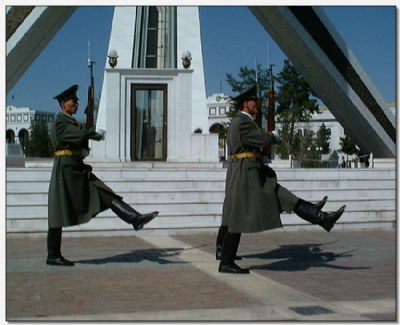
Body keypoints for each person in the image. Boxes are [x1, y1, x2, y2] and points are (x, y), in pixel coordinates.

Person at [216, 86, 346, 274]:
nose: (258, 105)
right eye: (255, 101)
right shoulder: (243, 122)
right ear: (246, 103)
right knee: (238, 216)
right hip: (247, 174)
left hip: (250, 171)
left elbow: (253, 143)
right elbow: (261, 138)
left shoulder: (241, 121)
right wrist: (272, 137)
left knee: (282, 197)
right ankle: (226, 262)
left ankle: (322, 218)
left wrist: (261, 152)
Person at [47, 84, 159, 266]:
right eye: (73, 100)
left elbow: (78, 137)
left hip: (76, 169)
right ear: (63, 104)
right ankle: (53, 254)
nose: (76, 103)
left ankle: (134, 218)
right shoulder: (60, 120)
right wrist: (92, 133)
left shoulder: (72, 121)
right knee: (57, 211)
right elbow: (73, 134)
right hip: (66, 171)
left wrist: (84, 145)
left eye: (77, 100)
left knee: (103, 192)